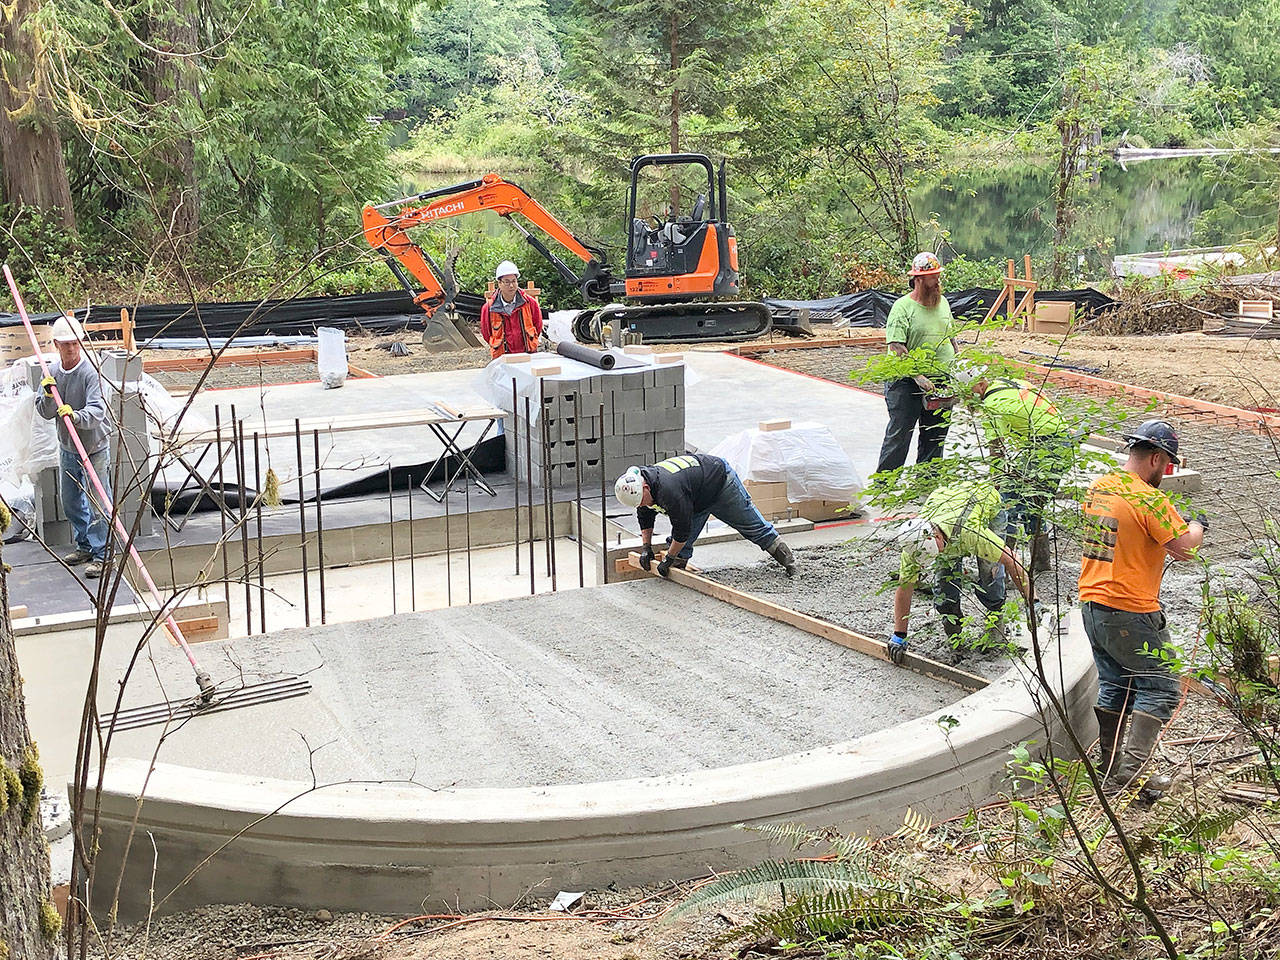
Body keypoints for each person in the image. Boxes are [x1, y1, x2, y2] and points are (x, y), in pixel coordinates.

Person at [1078, 419, 1205, 798]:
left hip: (1092, 605)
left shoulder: (1100, 487)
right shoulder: (1149, 499)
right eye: (1166, 465)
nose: (1166, 473)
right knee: (1162, 688)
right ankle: (1128, 778)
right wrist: (1197, 525)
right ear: (1154, 458)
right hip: (1130, 609)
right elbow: (1186, 549)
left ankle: (1109, 768)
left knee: (1116, 684)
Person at [888, 478, 1033, 663]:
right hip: (949, 511)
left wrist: (1032, 603)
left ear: (937, 536)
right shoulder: (914, 542)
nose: (936, 555)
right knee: (944, 584)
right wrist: (899, 634)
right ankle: (954, 633)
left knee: (990, 574)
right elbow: (905, 586)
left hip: (987, 509)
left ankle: (995, 620)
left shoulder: (971, 532)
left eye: (936, 550)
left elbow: (1012, 560)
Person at [953, 363, 1073, 572]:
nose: (965, 401)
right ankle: (1040, 563)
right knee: (1032, 501)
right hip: (1057, 442)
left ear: (980, 385)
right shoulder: (1007, 384)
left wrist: (996, 486)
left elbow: (996, 450)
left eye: (967, 394)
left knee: (1008, 502)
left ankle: (1003, 570)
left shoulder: (992, 404)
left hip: (1048, 446)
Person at [614, 454, 796, 577]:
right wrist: (646, 547)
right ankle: (678, 570)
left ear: (645, 488)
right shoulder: (643, 485)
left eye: (642, 500)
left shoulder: (669, 492)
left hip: (721, 484)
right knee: (679, 548)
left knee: (753, 528)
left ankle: (789, 562)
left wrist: (668, 558)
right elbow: (645, 514)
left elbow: (682, 531)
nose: (642, 504)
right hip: (696, 495)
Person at [34, 315, 113, 579]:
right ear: (56, 344)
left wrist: (76, 416)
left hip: (95, 445)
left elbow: (98, 410)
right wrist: (47, 396)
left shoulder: (91, 372)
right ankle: (86, 545)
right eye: (66, 344)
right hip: (68, 446)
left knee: (99, 501)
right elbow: (44, 412)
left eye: (75, 343)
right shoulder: (52, 374)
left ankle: (103, 554)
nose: (71, 348)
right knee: (70, 501)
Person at [875, 251, 959, 475]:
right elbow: (897, 346)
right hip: (905, 381)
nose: (937, 281)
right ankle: (886, 483)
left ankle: (927, 481)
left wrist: (958, 364)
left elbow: (951, 337)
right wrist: (918, 377)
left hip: (940, 380)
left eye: (938, 276)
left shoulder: (943, 304)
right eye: (933, 277)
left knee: (936, 433)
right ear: (919, 279)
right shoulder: (903, 308)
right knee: (900, 433)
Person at [480, 260, 543, 359]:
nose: (511, 285)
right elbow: (486, 334)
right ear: (499, 283)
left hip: (527, 356)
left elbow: (538, 326)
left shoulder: (530, 303)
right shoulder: (488, 308)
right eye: (507, 282)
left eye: (514, 281)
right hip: (502, 359)